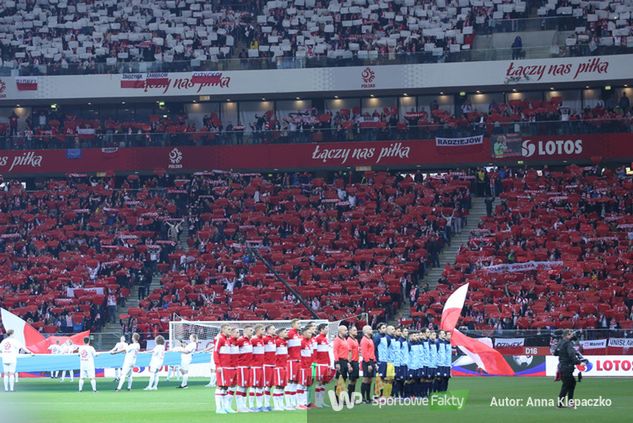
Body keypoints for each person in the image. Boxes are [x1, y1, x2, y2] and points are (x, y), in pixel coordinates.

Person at [554, 329, 585, 408]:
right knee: (567, 385)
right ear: (567, 335)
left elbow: (555, 353)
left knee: (571, 383)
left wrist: (562, 354)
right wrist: (579, 362)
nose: (572, 336)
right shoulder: (568, 343)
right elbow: (571, 355)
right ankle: (561, 404)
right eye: (570, 334)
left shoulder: (560, 342)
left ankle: (569, 402)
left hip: (562, 366)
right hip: (567, 367)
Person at [213, 324, 235, 414]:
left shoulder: (228, 340)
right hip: (222, 367)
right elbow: (215, 352)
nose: (230, 331)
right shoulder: (220, 339)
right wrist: (218, 365)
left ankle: (225, 407)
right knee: (221, 386)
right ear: (223, 330)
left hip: (228, 367)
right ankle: (219, 408)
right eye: (228, 329)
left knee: (226, 387)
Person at [313, 323, 334, 408]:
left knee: (324, 383)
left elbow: (327, 352)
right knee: (319, 382)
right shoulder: (317, 339)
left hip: (326, 363)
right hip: (320, 364)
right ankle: (317, 402)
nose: (328, 329)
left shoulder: (325, 339)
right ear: (321, 329)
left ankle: (321, 401)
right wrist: (315, 362)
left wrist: (329, 363)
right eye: (326, 328)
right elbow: (314, 351)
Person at [234, 327, 253, 412]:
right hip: (242, 367)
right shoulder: (241, 340)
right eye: (250, 330)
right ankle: (239, 407)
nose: (252, 332)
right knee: (241, 386)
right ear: (245, 331)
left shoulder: (249, 340)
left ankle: (244, 406)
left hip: (248, 367)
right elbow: (233, 349)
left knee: (246, 387)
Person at [297, 326, 315, 410]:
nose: (310, 334)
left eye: (311, 333)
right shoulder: (301, 342)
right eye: (309, 333)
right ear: (303, 333)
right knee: (301, 385)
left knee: (306, 385)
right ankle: (299, 403)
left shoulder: (308, 342)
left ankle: (305, 403)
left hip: (308, 367)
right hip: (303, 367)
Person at [285, 319, 302, 409]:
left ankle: (294, 403)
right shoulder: (290, 333)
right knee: (290, 381)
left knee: (295, 382)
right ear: (293, 325)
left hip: (298, 361)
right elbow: (284, 344)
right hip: (291, 361)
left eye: (300, 323)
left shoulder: (298, 334)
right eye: (298, 323)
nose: (300, 324)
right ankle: (288, 403)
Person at [249, 325, 266, 411]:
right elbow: (249, 352)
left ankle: (259, 406)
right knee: (253, 386)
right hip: (255, 367)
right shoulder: (253, 340)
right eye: (262, 329)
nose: (264, 331)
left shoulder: (262, 340)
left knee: (260, 386)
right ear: (257, 330)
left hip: (261, 366)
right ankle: (251, 406)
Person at [273, 328, 290, 411]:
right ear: (279, 333)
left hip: (284, 366)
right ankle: (276, 405)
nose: (287, 333)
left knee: (283, 386)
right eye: (285, 332)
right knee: (278, 386)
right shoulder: (277, 342)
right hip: (278, 367)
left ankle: (281, 404)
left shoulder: (284, 342)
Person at [262, 325, 278, 411]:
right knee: (266, 385)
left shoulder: (274, 339)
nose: (274, 330)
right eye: (273, 329)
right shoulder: (264, 339)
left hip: (273, 365)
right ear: (267, 330)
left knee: (271, 385)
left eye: (274, 329)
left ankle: (268, 404)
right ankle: (265, 404)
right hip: (266, 365)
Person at [360, 325, 376, 403]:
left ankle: (368, 397)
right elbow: (364, 352)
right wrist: (368, 363)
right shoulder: (364, 340)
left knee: (370, 380)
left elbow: (372, 352)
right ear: (365, 331)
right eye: (370, 329)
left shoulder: (370, 339)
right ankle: (363, 398)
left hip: (371, 361)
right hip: (367, 362)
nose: (371, 330)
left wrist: (374, 362)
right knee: (365, 379)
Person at [346, 326, 360, 401]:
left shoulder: (355, 340)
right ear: (350, 332)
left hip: (356, 362)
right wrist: (349, 363)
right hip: (352, 362)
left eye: (356, 330)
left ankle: (352, 396)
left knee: (354, 380)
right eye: (354, 330)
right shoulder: (349, 340)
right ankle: (349, 397)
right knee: (351, 380)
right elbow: (349, 352)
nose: (356, 331)